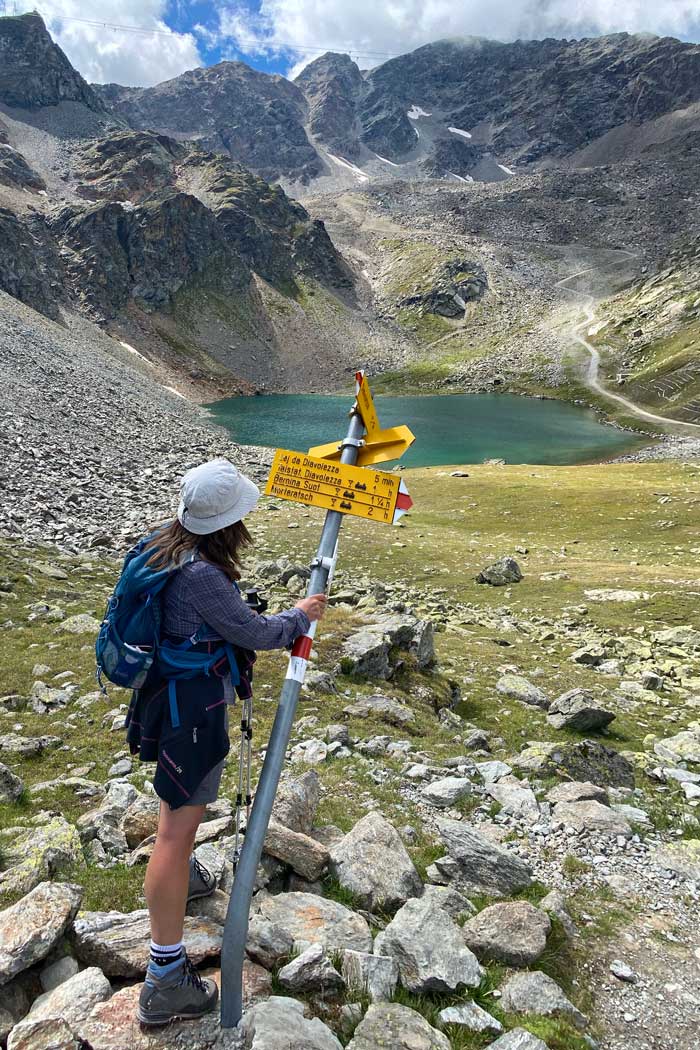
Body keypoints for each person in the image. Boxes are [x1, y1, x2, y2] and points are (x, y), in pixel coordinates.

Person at [125, 458, 327, 1026]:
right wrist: (299, 615)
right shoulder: (203, 576)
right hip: (192, 710)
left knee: (174, 820)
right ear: (226, 523)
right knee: (174, 831)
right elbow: (253, 633)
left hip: (167, 701)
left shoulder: (166, 547)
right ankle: (164, 978)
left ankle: (181, 880)